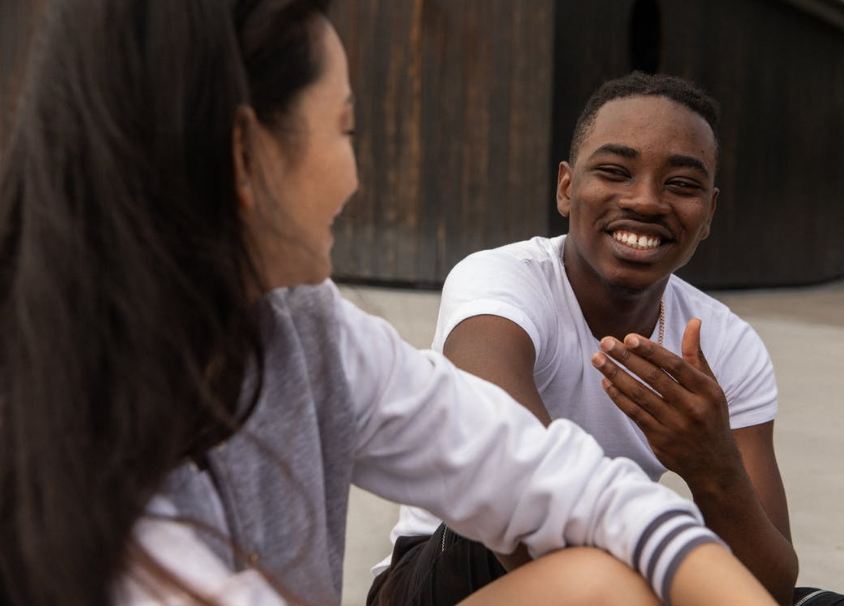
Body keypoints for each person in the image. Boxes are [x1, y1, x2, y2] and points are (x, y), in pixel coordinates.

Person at [0, 2, 776, 606]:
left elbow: (537, 471)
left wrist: (708, 488)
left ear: (711, 205)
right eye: (345, 129)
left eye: (680, 184)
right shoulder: (63, 438)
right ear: (243, 154)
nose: (356, 179)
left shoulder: (308, 330)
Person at [369, 72, 802, 606]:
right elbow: (516, 482)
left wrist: (715, 469)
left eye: (682, 184)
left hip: (616, 565)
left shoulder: (727, 345)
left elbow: (774, 588)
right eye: (616, 171)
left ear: (709, 213)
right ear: (567, 188)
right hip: (447, 574)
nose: (645, 201)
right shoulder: (501, 283)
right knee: (508, 508)